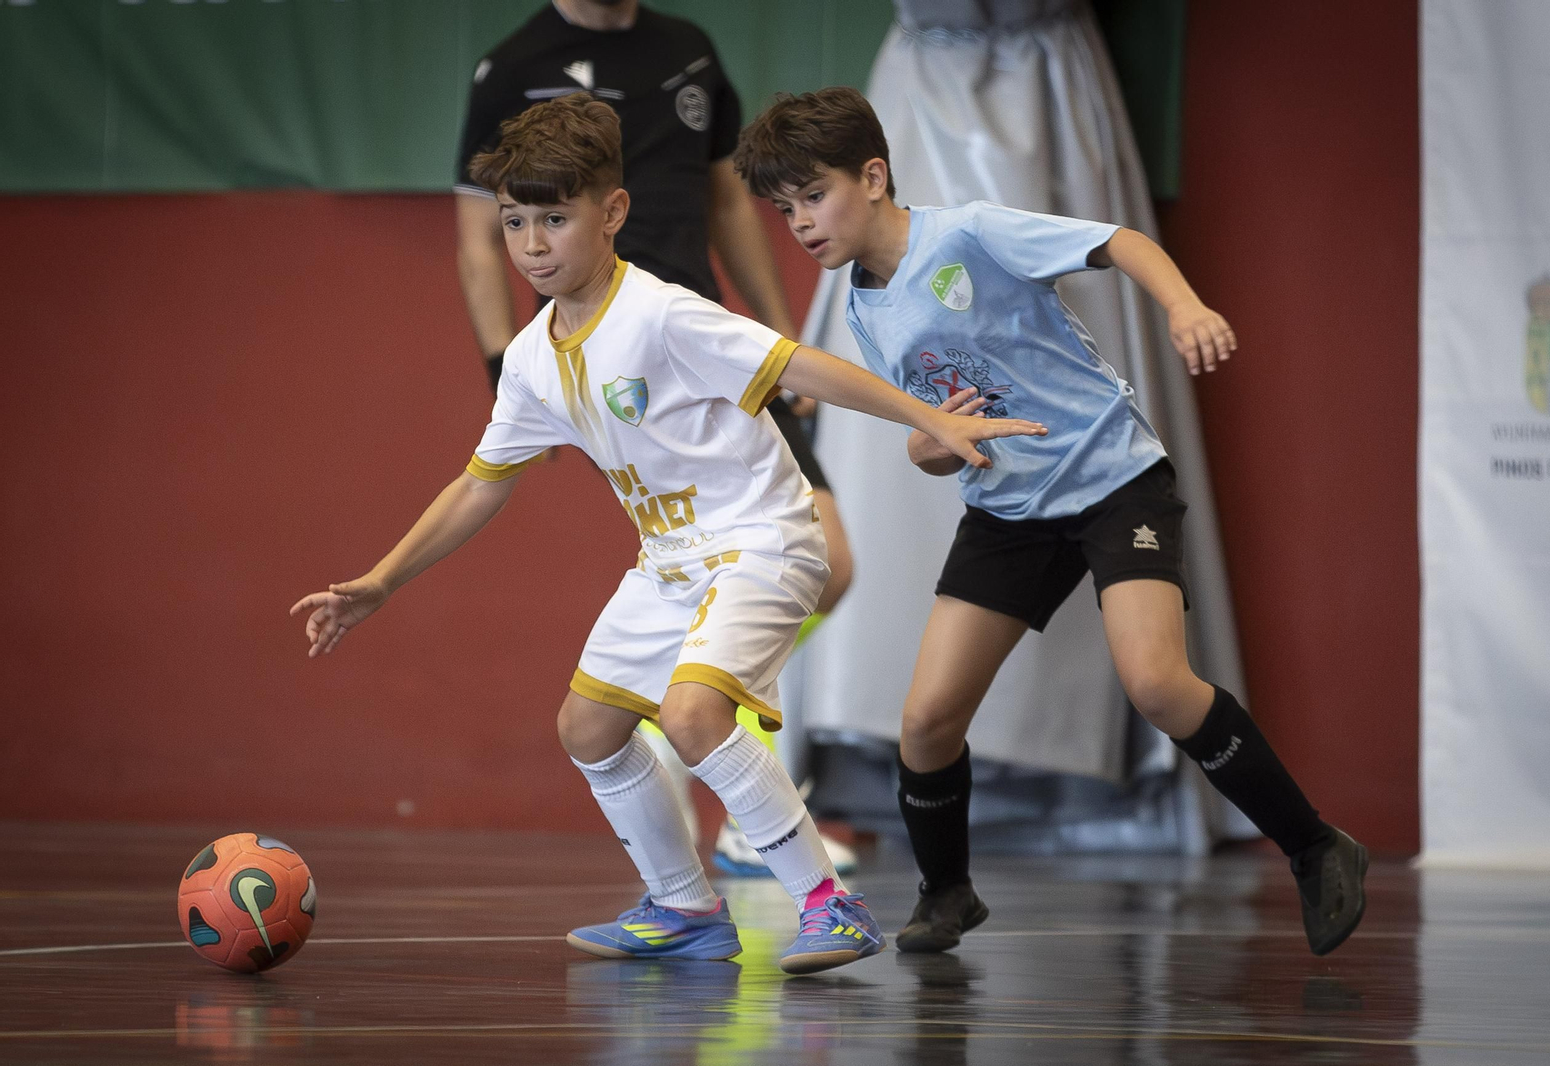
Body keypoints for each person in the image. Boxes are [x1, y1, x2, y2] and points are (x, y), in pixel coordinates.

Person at [293, 94, 1047, 973]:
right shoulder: (534, 359)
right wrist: (381, 582)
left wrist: (930, 418)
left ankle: (827, 906)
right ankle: (685, 907)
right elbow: (477, 486)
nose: (533, 244)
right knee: (587, 729)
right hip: (670, 564)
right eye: (514, 222)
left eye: (555, 218)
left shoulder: (662, 314)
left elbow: (799, 363)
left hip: (764, 539)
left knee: (693, 715)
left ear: (612, 213)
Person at [732, 87, 1368, 957]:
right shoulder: (863, 309)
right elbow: (931, 441)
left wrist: (1183, 307)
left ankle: (1315, 846)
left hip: (1114, 481)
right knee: (925, 722)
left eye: (814, 196)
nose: (800, 222)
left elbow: (1123, 241)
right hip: (1009, 512)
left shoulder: (969, 232)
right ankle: (948, 893)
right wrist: (941, 448)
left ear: (873, 176)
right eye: (784, 208)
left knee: (1156, 683)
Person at [453, 0, 855, 871]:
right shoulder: (511, 66)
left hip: (710, 337)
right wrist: (500, 364)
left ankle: (708, 727)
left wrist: (781, 326)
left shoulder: (690, 48)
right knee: (695, 609)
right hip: (620, 358)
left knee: (829, 567)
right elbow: (481, 239)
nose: (533, 235)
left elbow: (729, 206)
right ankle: (725, 783)